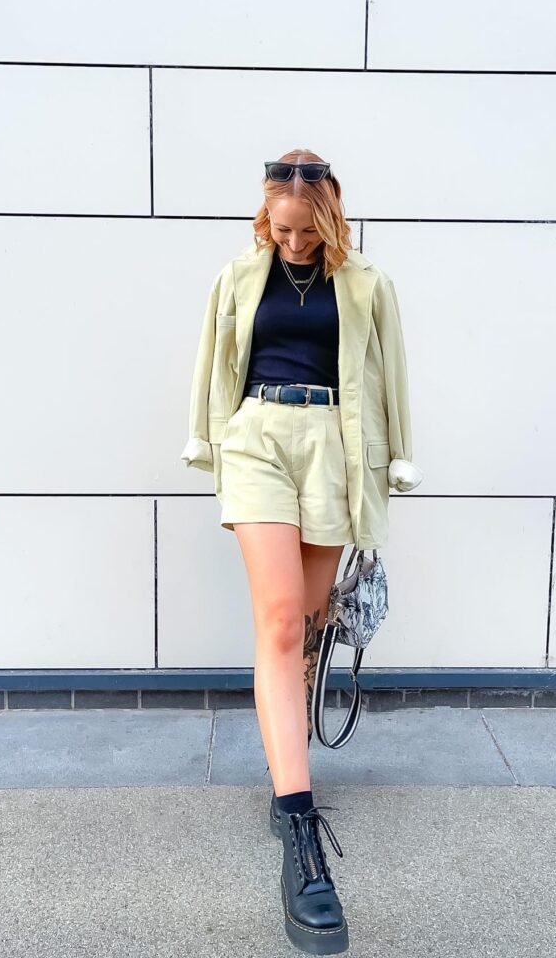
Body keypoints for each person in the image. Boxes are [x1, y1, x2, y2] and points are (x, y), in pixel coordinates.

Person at [180, 149, 423, 954]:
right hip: (256, 438)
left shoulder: (367, 285)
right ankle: (298, 824)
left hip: (334, 446)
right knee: (281, 620)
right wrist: (204, 439)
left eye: (303, 230)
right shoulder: (238, 275)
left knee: (310, 622)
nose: (290, 242)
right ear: (266, 219)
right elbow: (215, 364)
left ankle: (288, 751)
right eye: (278, 229)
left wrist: (398, 459)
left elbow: (391, 377)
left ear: (327, 220)